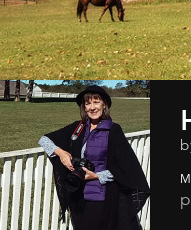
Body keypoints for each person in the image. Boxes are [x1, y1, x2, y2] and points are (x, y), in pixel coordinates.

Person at [38, 85, 150, 230]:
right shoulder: (78, 128)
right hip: (78, 198)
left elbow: (126, 168)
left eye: (96, 102)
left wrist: (96, 176)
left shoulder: (113, 131)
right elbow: (44, 140)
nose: (92, 107)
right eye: (88, 103)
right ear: (84, 107)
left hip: (101, 198)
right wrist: (60, 152)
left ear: (104, 105)